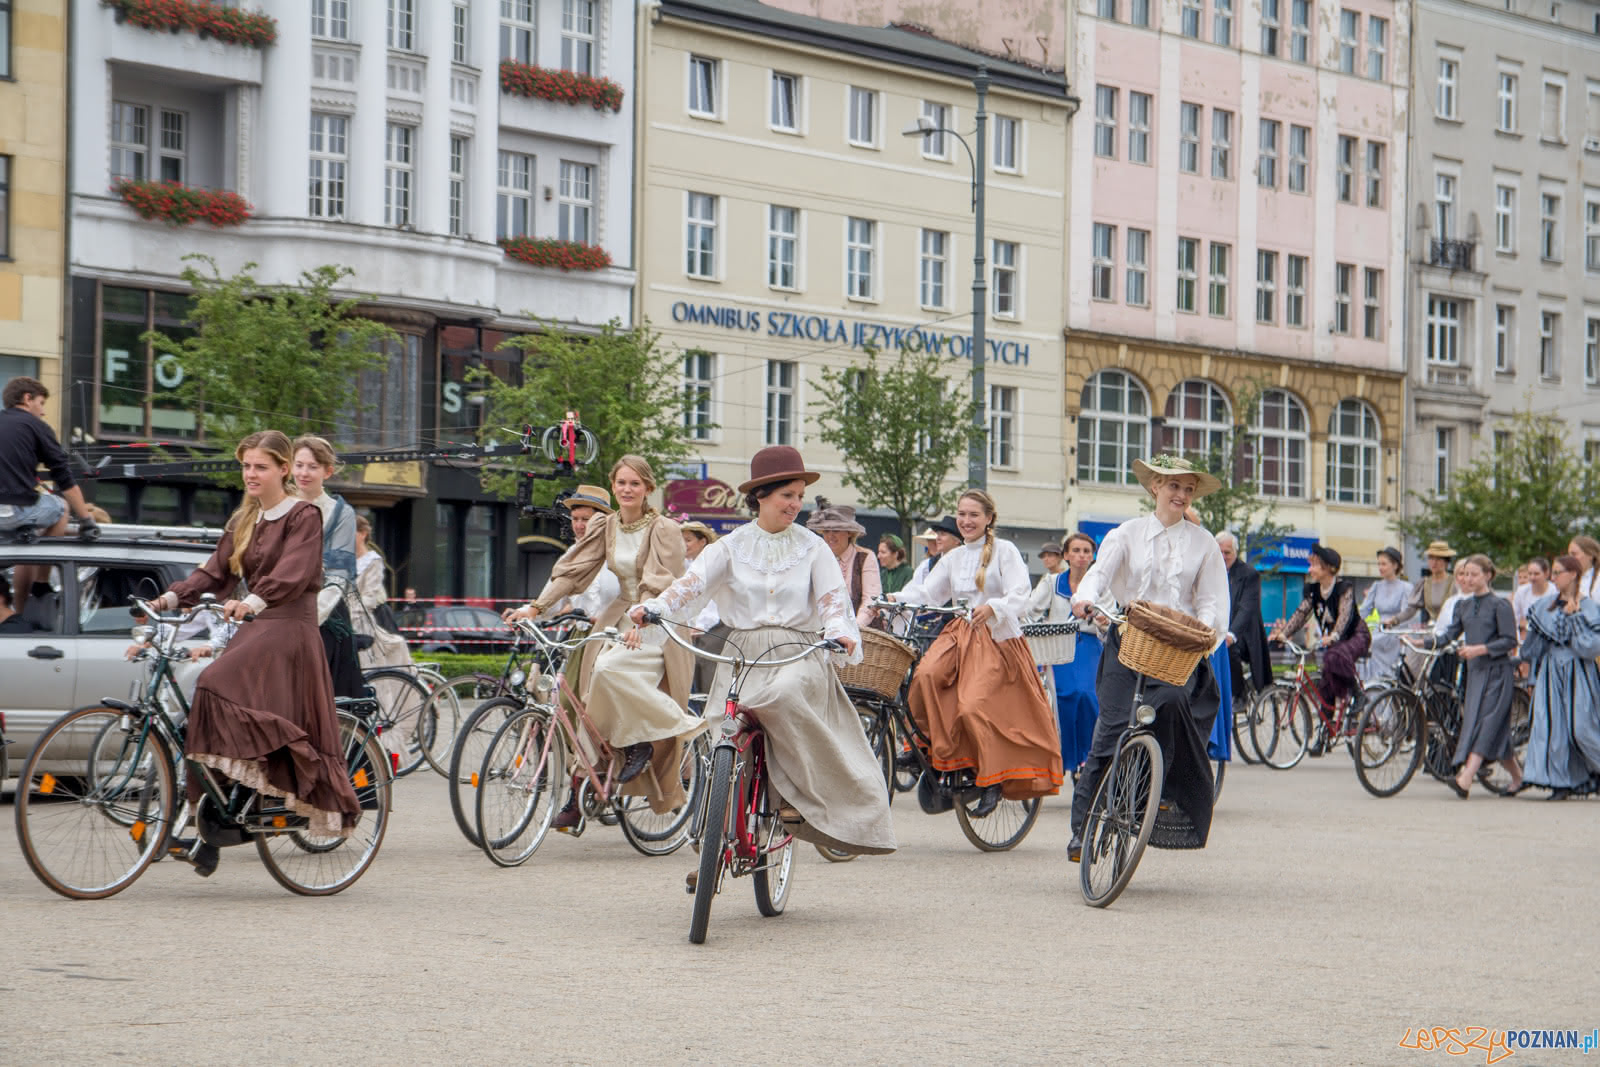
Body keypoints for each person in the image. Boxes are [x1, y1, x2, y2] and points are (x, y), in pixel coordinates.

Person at [633, 445, 895, 859]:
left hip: (799, 653)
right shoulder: (730, 546)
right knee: (721, 727)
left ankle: (793, 794)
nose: (796, 504)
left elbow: (832, 599)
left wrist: (840, 630)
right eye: (787, 495)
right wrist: (657, 608)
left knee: (784, 695)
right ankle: (712, 844)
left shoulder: (812, 547)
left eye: (798, 495)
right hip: (744, 654)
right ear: (761, 496)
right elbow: (692, 584)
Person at [149, 430, 361, 876]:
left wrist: (253, 601)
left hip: (288, 628)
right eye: (245, 466)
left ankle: (251, 796)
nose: (250, 474)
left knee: (213, 682)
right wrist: (170, 599)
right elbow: (214, 572)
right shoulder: (244, 518)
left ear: (283, 470)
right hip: (255, 626)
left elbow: (294, 571)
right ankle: (217, 819)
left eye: (260, 466)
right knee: (202, 699)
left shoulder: (303, 515)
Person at [507, 456, 704, 815]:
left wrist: (644, 616)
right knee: (585, 693)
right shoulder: (607, 526)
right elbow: (575, 569)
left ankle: (650, 738)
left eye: (635, 484)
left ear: (647, 488)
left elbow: (664, 580)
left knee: (608, 670)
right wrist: (535, 608)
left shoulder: (665, 528)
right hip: (617, 615)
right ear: (613, 487)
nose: (627, 490)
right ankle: (592, 775)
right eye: (621, 483)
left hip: (656, 616)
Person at [1068, 454, 1228, 861]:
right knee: (1110, 729)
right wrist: (1085, 597)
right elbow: (1100, 572)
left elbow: (1210, 600)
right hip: (1131, 642)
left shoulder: (1204, 543)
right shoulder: (1128, 534)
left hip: (1178, 650)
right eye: (1174, 486)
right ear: (1155, 487)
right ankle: (1081, 827)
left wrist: (1204, 631)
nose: (1181, 494)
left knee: (1174, 705)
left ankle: (1161, 795)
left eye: (1188, 489)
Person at [891, 489, 1064, 818]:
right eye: (962, 514)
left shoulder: (1005, 551)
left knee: (973, 706)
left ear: (988, 519)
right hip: (960, 634)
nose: (966, 520)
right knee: (924, 677)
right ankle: (924, 747)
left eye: (973, 514)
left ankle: (991, 780)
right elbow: (929, 592)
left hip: (996, 639)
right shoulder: (953, 557)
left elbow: (1021, 594)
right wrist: (896, 597)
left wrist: (994, 607)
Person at [1423, 554, 1522, 799]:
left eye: (1474, 574)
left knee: (1486, 723)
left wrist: (1480, 649)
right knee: (1490, 729)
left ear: (1488, 576)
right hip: (1475, 673)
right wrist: (1424, 641)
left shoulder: (1500, 605)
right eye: (1465, 574)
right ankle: (1519, 778)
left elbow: (1510, 640)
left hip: (1498, 672)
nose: (1467, 578)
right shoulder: (1463, 605)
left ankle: (1465, 778)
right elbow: (1449, 635)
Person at [0, 377, 99, 612]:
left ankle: (19, 613)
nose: (43, 412)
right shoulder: (36, 427)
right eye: (41, 403)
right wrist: (86, 521)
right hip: (15, 509)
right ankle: (41, 584)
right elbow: (63, 478)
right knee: (60, 507)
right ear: (27, 399)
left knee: (27, 546)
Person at [1520, 554, 1600, 800]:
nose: (1553, 577)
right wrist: (1537, 638)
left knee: (1582, 728)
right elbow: (1529, 650)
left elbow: (1591, 647)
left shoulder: (1588, 607)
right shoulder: (1545, 606)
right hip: (1550, 672)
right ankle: (1561, 782)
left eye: (1558, 572)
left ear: (1573, 574)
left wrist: (1574, 618)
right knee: (1550, 727)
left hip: (1580, 673)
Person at [290, 435, 363, 700]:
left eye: (312, 466)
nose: (303, 473)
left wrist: (309, 620)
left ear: (327, 471)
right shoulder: (278, 504)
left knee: (319, 702)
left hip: (324, 617)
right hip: (280, 610)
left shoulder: (339, 513)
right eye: (299, 465)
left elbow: (337, 577)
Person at [1271, 545, 1371, 723]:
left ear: (1329, 568)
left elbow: (1345, 616)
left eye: (1315, 565)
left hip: (1356, 635)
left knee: (1334, 656)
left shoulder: (1343, 588)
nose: (1310, 569)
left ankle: (1358, 693)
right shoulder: (1314, 591)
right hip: (1334, 642)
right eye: (1311, 565)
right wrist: (1284, 634)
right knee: (1325, 686)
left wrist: (1334, 636)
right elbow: (1301, 614)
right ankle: (1325, 732)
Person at [1052, 532, 1102, 776]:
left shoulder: (1101, 586)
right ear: (1066, 555)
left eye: (1086, 551)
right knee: (1062, 698)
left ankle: (1086, 756)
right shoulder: (1051, 583)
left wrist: (1102, 619)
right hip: (1058, 646)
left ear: (1092, 557)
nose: (1081, 556)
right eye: (1076, 551)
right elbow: (1028, 607)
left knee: (1087, 696)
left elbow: (1110, 617)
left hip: (1089, 644)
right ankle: (1063, 757)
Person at [807, 498, 882, 631]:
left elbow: (871, 600)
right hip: (824, 633)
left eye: (836, 530)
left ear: (849, 533)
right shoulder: (817, 557)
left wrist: (854, 629)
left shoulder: (865, 557)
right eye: (826, 531)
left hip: (864, 635)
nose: (830, 536)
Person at [352, 515, 414, 671]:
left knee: (383, 663)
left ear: (363, 534)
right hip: (351, 616)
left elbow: (369, 596)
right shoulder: (345, 560)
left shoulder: (372, 560)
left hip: (375, 615)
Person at [1216, 531, 1271, 699]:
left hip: (1243, 635)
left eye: (1227, 553)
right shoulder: (1211, 571)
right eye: (1220, 552)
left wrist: (1231, 635)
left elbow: (1246, 609)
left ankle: (1239, 695)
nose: (1223, 557)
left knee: (1228, 648)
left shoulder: (1249, 574)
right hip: (1218, 630)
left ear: (1236, 553)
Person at [679, 518, 728, 697]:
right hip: (688, 629)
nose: (683, 544)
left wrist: (702, 624)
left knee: (708, 671)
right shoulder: (683, 566)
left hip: (713, 628)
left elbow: (714, 600)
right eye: (681, 539)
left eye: (688, 539)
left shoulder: (712, 564)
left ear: (702, 542)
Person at [1361, 546, 1413, 682]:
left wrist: (1392, 623)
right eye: (1379, 564)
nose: (1380, 567)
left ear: (1395, 565)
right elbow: (1364, 611)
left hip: (1395, 632)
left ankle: (1385, 691)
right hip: (1379, 630)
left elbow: (1406, 614)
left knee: (1373, 644)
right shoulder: (1376, 586)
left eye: (1384, 564)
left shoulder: (1405, 587)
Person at [1392, 541, 1456, 626]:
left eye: (1438, 559)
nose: (1434, 562)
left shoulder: (1455, 582)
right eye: (1431, 558)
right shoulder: (1424, 583)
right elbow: (1412, 609)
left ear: (1446, 562)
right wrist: (1395, 620)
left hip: (1452, 630)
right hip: (1431, 630)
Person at [1512, 557, 1555, 644]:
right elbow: (1513, 619)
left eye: (1536, 574)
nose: (1532, 577)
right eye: (1530, 573)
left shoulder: (1555, 592)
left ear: (1546, 574)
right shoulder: (1521, 592)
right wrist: (1516, 639)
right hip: (1526, 642)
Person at [1025, 540, 1066, 621]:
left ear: (1059, 557)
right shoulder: (1046, 577)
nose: (1046, 559)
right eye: (1044, 556)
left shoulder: (1064, 577)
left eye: (1050, 555)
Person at [1567, 536, 1600, 601]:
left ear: (1590, 555)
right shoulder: (1568, 578)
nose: (1569, 559)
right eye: (1569, 554)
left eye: (1574, 554)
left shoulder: (1598, 579)